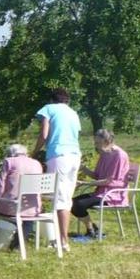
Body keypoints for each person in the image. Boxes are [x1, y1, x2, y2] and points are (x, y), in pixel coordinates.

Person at [33, 88, 82, 250]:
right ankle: (59, 239)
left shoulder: (49, 108)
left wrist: (34, 153)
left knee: (58, 198)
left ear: (52, 99)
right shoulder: (73, 113)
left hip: (58, 155)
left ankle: (62, 241)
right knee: (66, 198)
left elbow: (44, 135)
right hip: (75, 156)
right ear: (67, 100)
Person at [71, 128, 130, 239]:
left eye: (98, 143)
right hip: (101, 192)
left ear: (107, 141)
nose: (96, 145)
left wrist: (84, 183)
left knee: (78, 204)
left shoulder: (119, 155)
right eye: (95, 142)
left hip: (113, 195)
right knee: (71, 203)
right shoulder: (105, 154)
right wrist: (83, 168)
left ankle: (91, 230)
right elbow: (97, 176)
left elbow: (109, 181)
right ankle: (93, 229)